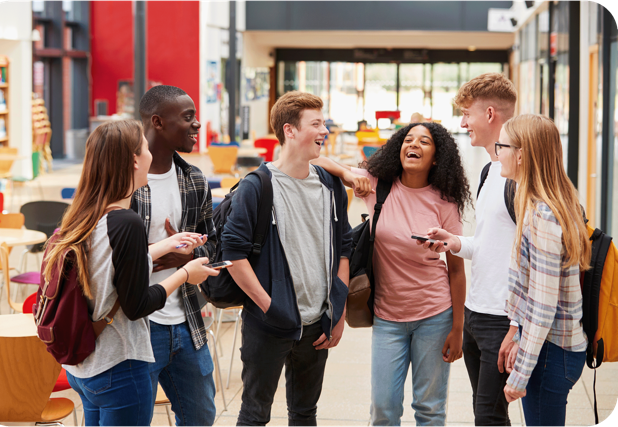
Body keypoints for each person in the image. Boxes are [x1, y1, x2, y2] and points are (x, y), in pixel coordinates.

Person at [45, 120, 218, 426]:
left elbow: (108, 269)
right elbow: (137, 304)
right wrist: (185, 274)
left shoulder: (86, 214)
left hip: (85, 369)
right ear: (135, 160)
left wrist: (165, 245)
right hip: (120, 365)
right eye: (146, 148)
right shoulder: (127, 222)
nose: (152, 153)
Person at [313, 121, 470, 426]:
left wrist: (458, 327)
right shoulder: (376, 186)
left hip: (435, 315)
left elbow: (457, 271)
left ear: (436, 157)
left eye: (424, 142)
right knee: (383, 410)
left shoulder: (445, 202)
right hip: (387, 317)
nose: (414, 145)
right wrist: (348, 175)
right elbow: (315, 159)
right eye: (408, 140)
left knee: (429, 409)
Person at [221, 91, 352, 427]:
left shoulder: (329, 184)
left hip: (317, 325)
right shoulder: (257, 186)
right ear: (289, 130)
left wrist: (338, 312)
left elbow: (344, 247)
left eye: (324, 122)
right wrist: (269, 307)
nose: (325, 130)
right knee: (254, 414)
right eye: (317, 123)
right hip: (268, 325)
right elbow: (232, 254)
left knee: (305, 413)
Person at [421, 73, 519, 426]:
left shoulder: (519, 177)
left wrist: (518, 326)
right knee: (488, 416)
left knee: (489, 418)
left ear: (490, 114)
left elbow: (535, 255)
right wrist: (455, 242)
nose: (463, 122)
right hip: (477, 312)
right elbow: (493, 245)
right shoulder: (491, 170)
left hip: (502, 317)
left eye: (467, 113)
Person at [132, 85, 218, 426]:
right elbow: (102, 253)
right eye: (187, 117)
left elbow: (214, 246)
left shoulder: (194, 180)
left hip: (186, 321)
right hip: (138, 325)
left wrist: (186, 259)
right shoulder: (125, 180)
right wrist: (156, 252)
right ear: (157, 122)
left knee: (201, 417)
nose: (197, 125)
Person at [498, 114, 590, 426]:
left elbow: (542, 305)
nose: (498, 152)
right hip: (550, 347)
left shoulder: (543, 218)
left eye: (503, 146)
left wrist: (520, 375)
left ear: (521, 155)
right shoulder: (544, 205)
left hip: (553, 352)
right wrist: (516, 331)